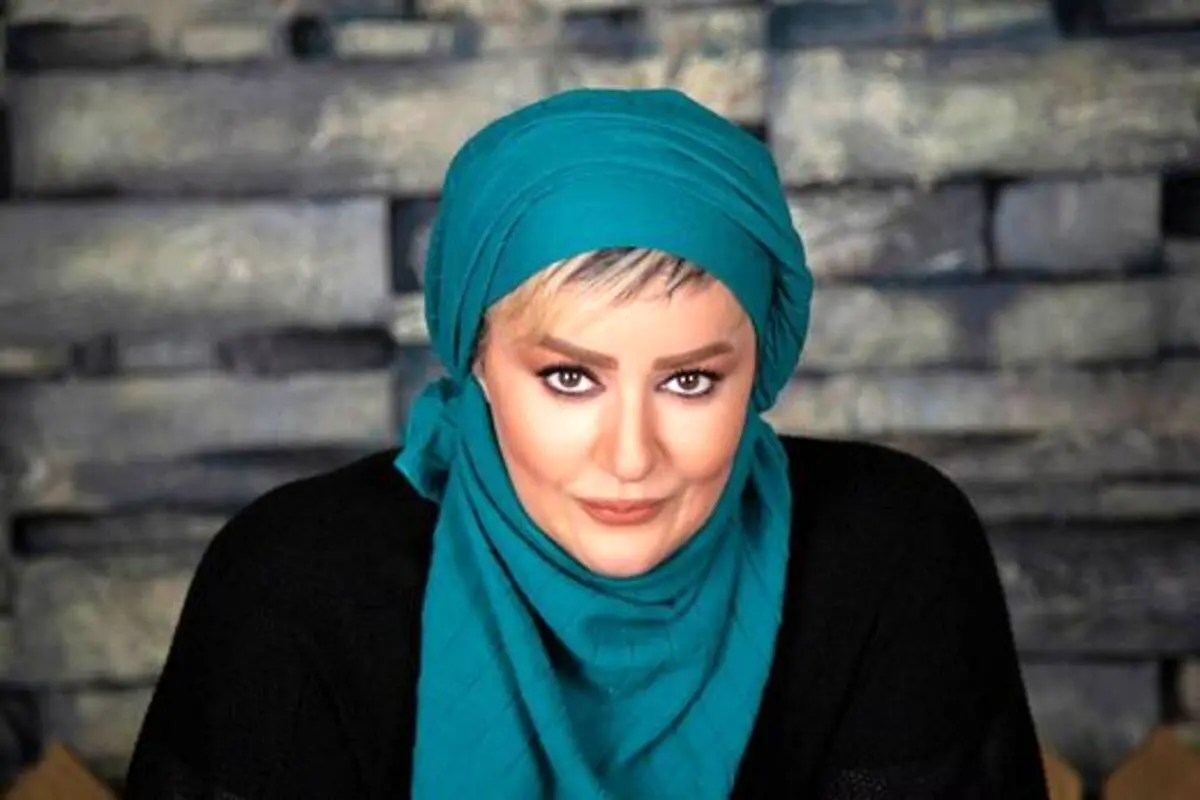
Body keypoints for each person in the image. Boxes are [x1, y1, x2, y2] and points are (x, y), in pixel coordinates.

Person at [124, 88, 1049, 799]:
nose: (631, 456)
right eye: (570, 377)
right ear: (475, 362)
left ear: (759, 373)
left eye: (690, 381)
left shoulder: (889, 553)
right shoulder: (296, 587)